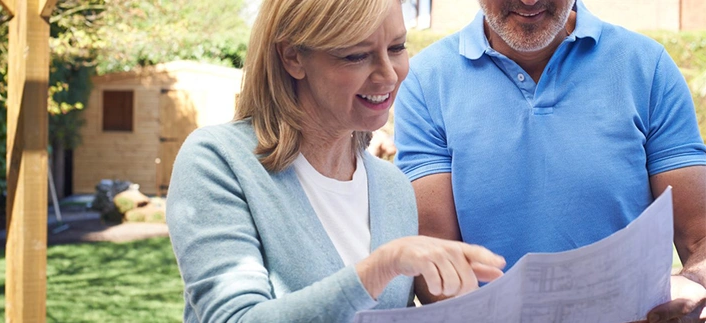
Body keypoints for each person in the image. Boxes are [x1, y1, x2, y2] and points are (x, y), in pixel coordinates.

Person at [165, 0, 507, 322]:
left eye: (397, 48)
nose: (388, 75)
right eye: (357, 55)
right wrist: (381, 267)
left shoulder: (392, 186)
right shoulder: (217, 161)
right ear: (292, 57)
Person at [393, 0, 706, 321]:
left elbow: (699, 235)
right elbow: (436, 259)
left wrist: (693, 282)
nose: (529, 1)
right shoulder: (426, 82)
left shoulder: (646, 67)